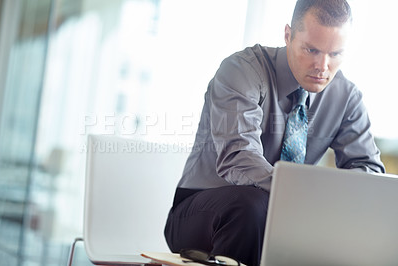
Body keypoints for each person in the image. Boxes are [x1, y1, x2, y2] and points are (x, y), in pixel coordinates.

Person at [164, 0, 385, 265]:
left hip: (286, 217)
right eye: (311, 49)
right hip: (205, 211)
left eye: (335, 54)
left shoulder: (347, 97)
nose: (322, 66)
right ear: (288, 35)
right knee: (252, 206)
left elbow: (369, 174)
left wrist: (331, 207)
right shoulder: (241, 71)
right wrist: (304, 199)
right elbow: (239, 157)